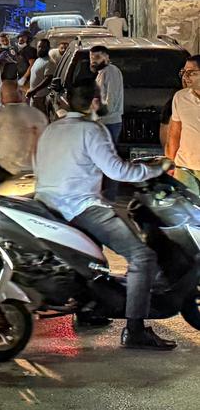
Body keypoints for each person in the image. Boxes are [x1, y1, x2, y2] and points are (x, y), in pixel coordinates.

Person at [35, 80, 174, 349]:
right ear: (96, 102)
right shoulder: (92, 129)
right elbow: (119, 172)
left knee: (93, 258)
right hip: (79, 207)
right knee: (142, 256)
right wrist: (157, 167)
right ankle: (135, 330)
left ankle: (90, 310)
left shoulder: (51, 129)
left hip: (48, 206)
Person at [166, 56, 200, 186]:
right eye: (184, 72)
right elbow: (174, 134)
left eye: (192, 72)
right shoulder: (180, 97)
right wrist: (170, 164)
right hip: (185, 168)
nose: (186, 76)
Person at [90, 45, 125, 146]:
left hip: (108, 123)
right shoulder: (102, 73)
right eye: (91, 58)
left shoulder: (110, 72)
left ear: (107, 57)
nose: (93, 61)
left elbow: (111, 97)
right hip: (105, 122)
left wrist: (99, 117)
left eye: (97, 57)